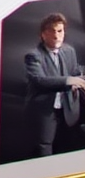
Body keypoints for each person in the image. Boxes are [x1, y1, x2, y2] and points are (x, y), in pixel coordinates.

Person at [24, 12, 85, 157]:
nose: (57, 36)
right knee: (44, 148)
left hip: (67, 110)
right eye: (51, 31)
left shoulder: (69, 50)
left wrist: (80, 78)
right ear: (43, 34)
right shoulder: (33, 56)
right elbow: (39, 80)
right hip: (45, 111)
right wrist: (69, 80)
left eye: (60, 31)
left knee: (67, 145)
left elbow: (75, 70)